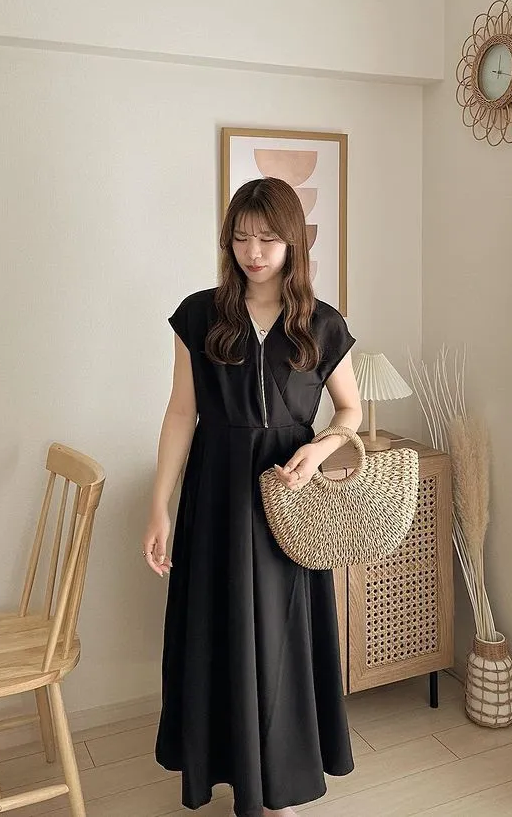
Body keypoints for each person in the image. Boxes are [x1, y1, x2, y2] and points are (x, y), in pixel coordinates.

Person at [142, 176, 362, 817]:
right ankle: (233, 773)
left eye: (267, 238)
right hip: (215, 494)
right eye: (241, 238)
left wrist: (318, 450)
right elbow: (180, 413)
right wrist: (158, 505)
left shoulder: (322, 324)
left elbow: (350, 410)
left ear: (293, 242)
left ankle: (278, 791)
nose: (253, 252)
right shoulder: (199, 315)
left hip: (289, 501)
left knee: (283, 639)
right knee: (219, 633)